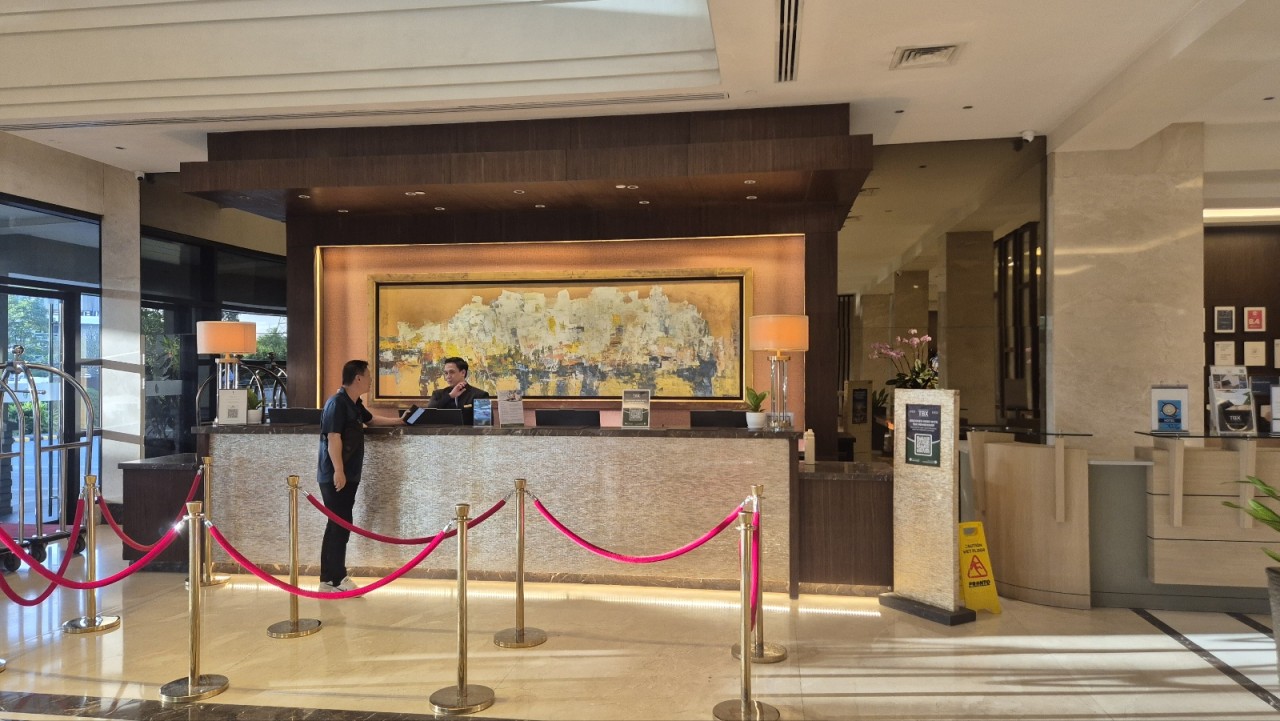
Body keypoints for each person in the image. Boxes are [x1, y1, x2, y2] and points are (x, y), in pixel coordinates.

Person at [316, 359, 403, 593]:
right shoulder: (337, 403)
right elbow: (333, 437)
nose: (371, 380)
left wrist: (399, 421)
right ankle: (337, 578)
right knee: (340, 526)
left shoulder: (353, 403)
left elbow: (371, 419)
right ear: (358, 378)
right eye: (369, 376)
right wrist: (339, 470)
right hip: (335, 475)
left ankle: (328, 578)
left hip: (349, 474)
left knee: (337, 525)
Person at [425, 356, 490, 409]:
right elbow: (429, 413)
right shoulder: (438, 394)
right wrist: (450, 396)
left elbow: (484, 420)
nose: (448, 376)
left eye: (452, 372)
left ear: (463, 373)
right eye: (446, 373)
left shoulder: (480, 395)